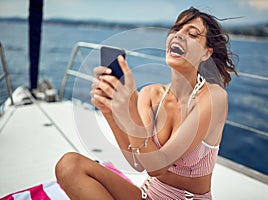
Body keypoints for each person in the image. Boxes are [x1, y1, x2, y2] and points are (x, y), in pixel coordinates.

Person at [55, 6, 238, 200]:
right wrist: (109, 112)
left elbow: (157, 166)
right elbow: (137, 162)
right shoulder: (151, 94)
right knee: (69, 165)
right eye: (176, 30)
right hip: (147, 194)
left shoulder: (213, 97)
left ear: (206, 53)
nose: (178, 36)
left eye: (192, 34)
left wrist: (129, 109)